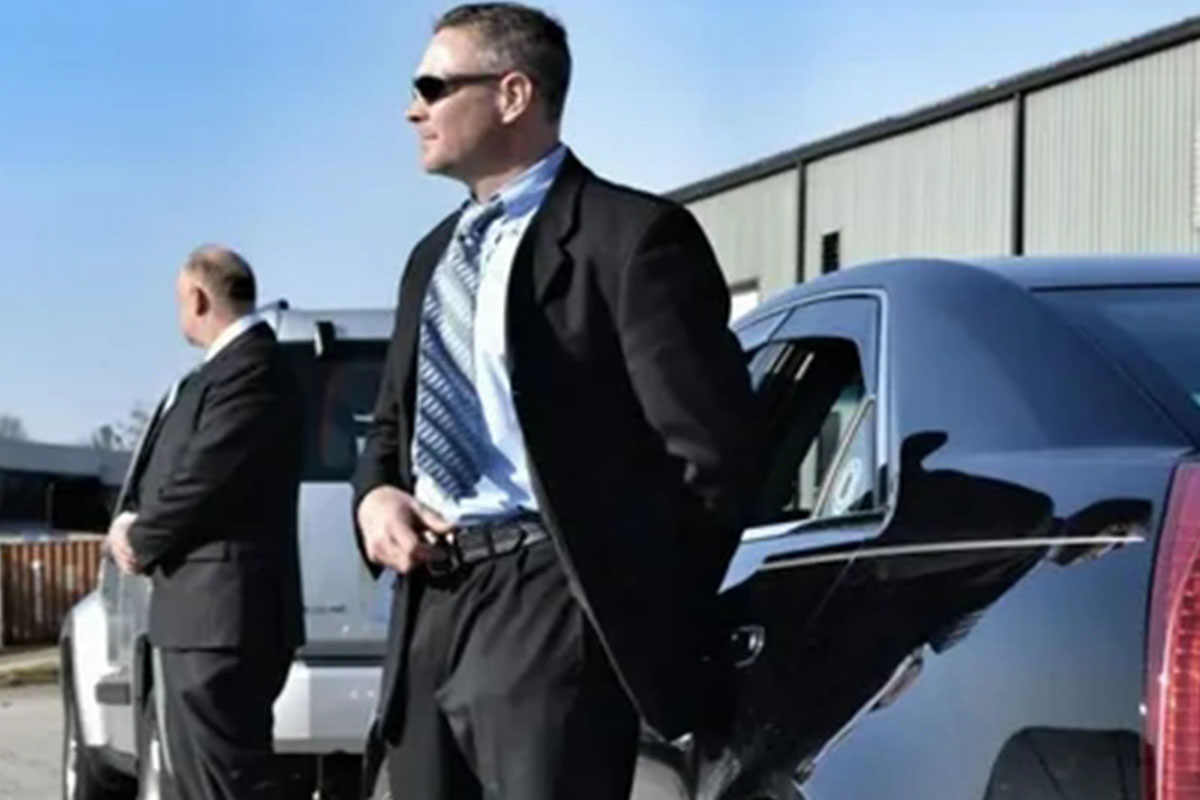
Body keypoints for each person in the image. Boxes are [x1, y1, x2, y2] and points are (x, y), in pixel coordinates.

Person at [352, 4, 759, 798]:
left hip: (549, 604)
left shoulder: (633, 239)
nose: (412, 111)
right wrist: (374, 501)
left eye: (431, 87)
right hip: (429, 608)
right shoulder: (430, 261)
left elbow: (713, 456)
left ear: (512, 94)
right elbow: (391, 433)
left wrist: (610, 608)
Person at [106, 245, 304, 800]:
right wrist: (128, 518)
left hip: (222, 618)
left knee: (226, 781)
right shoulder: (219, 374)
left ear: (197, 298)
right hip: (201, 619)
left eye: (179, 301)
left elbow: (202, 477)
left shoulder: (251, 370)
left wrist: (138, 538)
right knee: (202, 780)